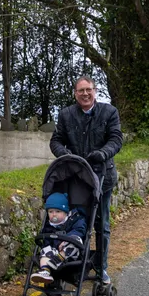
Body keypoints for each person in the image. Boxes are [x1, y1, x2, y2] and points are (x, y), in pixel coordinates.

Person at [49, 76, 124, 284]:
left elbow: (116, 138)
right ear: (75, 93)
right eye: (81, 91)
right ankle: (67, 268)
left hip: (102, 178)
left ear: (94, 91)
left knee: (101, 224)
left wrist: (103, 153)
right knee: (71, 223)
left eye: (88, 90)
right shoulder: (66, 115)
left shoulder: (109, 113)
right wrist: (64, 155)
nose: (85, 94)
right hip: (74, 179)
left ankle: (101, 269)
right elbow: (56, 140)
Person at [30, 192, 86, 286]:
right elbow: (46, 242)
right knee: (45, 250)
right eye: (51, 212)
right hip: (54, 254)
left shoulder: (75, 220)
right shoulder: (49, 225)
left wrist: (67, 239)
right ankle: (45, 271)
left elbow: (80, 230)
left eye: (58, 211)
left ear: (66, 212)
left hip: (71, 255)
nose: (54, 215)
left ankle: (59, 258)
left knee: (75, 240)